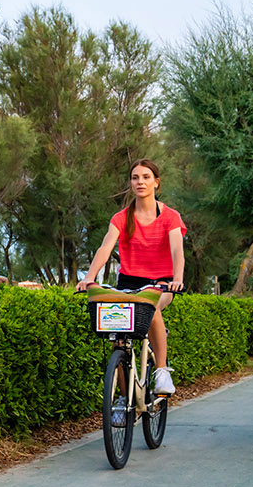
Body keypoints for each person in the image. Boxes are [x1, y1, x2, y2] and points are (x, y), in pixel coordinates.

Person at [79, 158, 187, 395]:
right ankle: (122, 398)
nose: (140, 182)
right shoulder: (121, 218)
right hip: (128, 282)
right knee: (118, 340)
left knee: (152, 306)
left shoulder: (170, 217)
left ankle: (162, 371)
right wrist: (89, 277)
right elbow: (105, 248)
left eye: (146, 177)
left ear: (156, 182)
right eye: (135, 178)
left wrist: (177, 279)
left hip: (162, 282)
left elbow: (177, 250)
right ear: (130, 183)